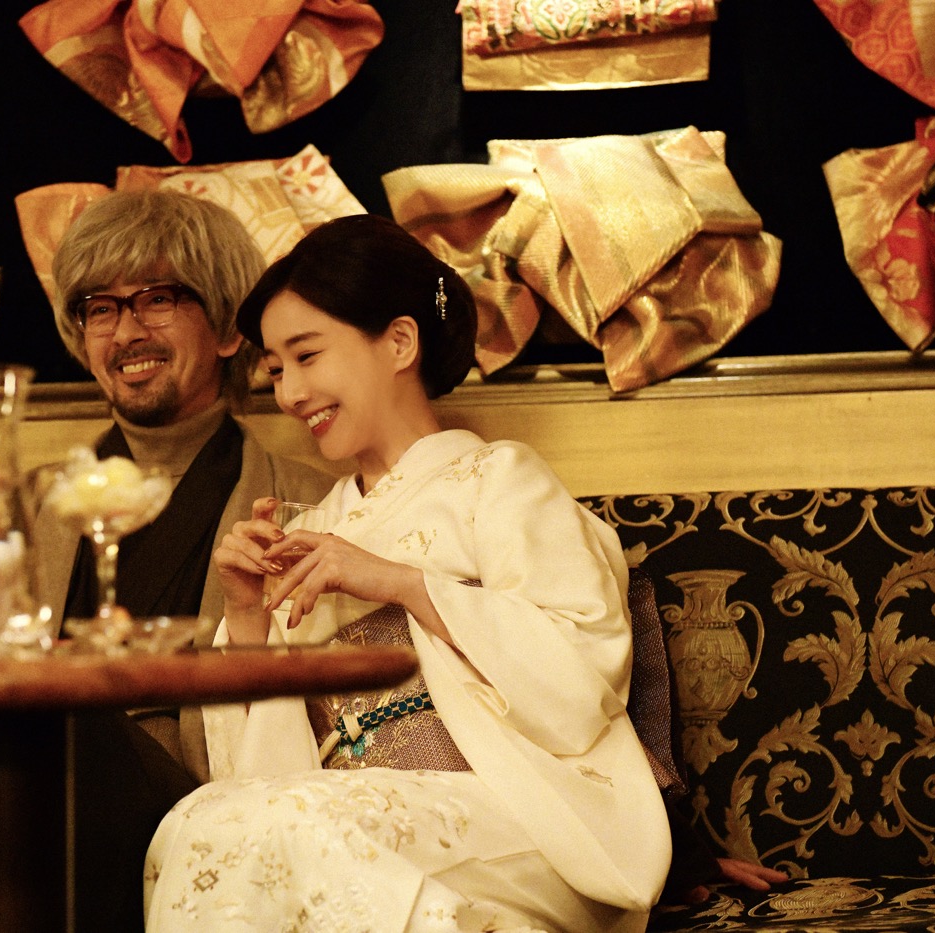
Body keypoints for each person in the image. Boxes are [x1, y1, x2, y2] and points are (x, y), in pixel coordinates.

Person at [0, 190, 330, 933]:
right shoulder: (31, 498)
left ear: (231, 329)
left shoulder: (305, 503)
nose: (126, 331)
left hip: (183, 811)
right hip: (1, 781)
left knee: (45, 701)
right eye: (99, 308)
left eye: (158, 299)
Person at [143, 214, 674, 932]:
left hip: (524, 812)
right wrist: (247, 619)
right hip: (348, 816)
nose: (290, 392)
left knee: (295, 825)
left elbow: (580, 682)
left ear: (399, 342)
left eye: (307, 355)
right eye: (276, 369)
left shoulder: (500, 480)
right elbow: (259, 775)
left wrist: (402, 583)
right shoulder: (312, 528)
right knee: (196, 821)